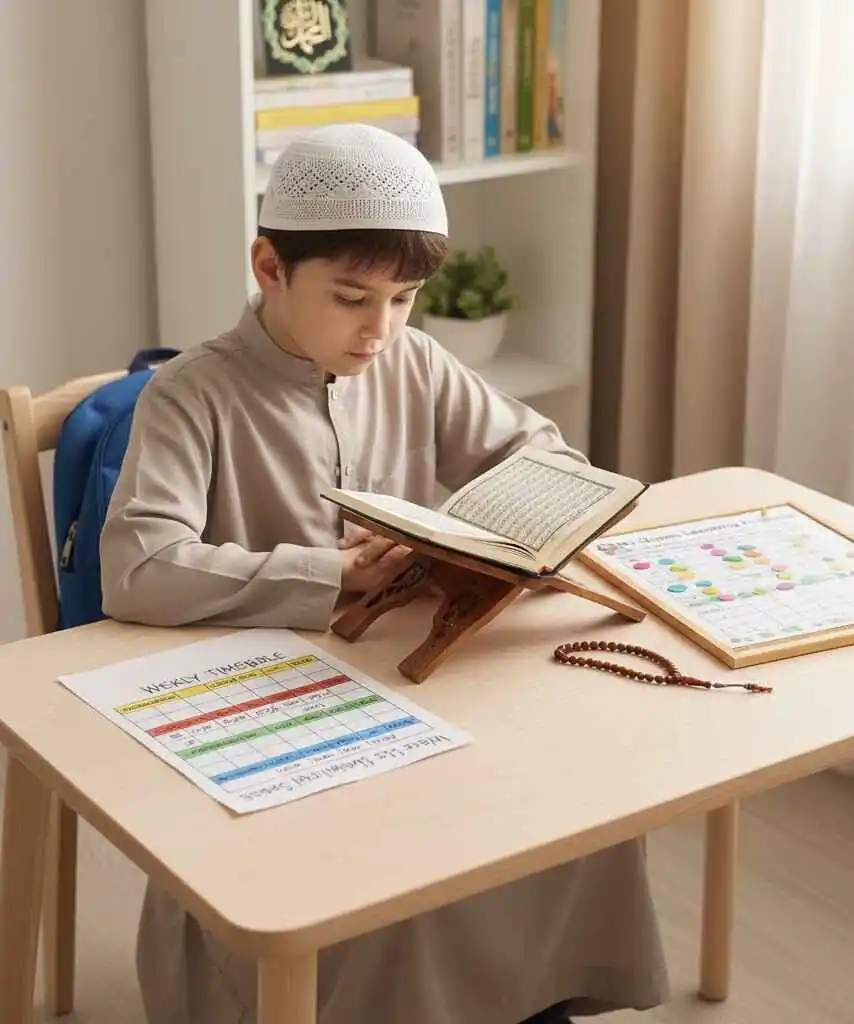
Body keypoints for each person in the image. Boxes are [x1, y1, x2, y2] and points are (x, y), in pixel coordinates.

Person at [100, 123, 669, 1024]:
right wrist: (328, 575)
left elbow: (539, 453)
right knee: (388, 867)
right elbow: (141, 569)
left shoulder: (413, 361)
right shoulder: (190, 397)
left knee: (577, 806)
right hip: (266, 695)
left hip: (407, 680)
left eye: (404, 299)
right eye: (353, 297)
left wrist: (517, 534)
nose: (380, 330)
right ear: (269, 266)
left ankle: (539, 1001)